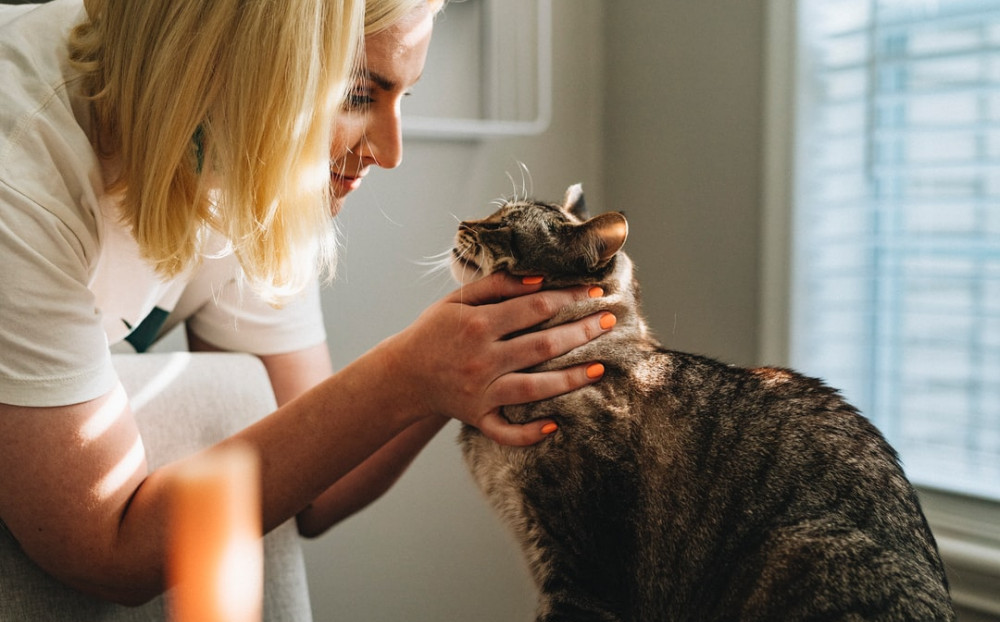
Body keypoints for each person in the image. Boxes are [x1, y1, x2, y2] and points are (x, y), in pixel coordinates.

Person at [0, 0, 614, 607]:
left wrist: (467, 362)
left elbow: (316, 488)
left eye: (405, 96)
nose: (391, 151)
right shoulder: (21, 174)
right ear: (229, 63)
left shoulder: (248, 152)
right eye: (356, 96)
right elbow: (105, 551)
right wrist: (410, 373)